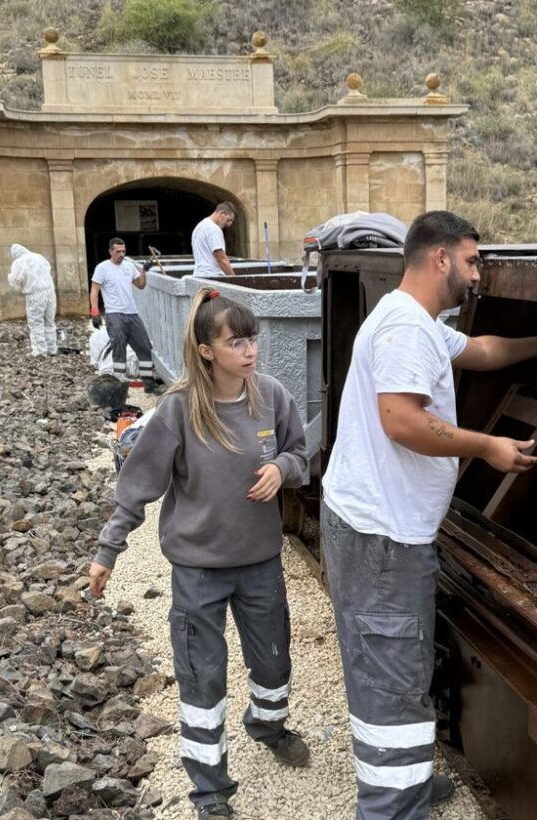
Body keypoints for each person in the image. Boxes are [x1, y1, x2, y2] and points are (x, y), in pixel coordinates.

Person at [320, 211, 537, 820]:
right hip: (383, 537)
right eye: (472, 261)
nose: (477, 273)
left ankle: (408, 781)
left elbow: (480, 350)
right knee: (390, 673)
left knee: (387, 664)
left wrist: (536, 346)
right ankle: (391, 806)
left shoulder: (416, 320)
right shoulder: (407, 328)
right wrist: (487, 446)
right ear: (440, 260)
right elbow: (402, 421)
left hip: (375, 527)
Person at [88, 287, 310, 820]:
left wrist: (282, 468)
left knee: (273, 661)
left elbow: (301, 453)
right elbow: (138, 484)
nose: (250, 350)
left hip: (260, 564)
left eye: (252, 338)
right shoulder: (179, 409)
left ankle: (268, 723)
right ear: (208, 349)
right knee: (202, 677)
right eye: (236, 341)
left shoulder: (273, 396)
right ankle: (210, 792)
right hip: (198, 573)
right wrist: (108, 550)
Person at [91, 238, 161, 393]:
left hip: (132, 314)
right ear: (110, 251)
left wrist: (144, 271)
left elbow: (140, 285)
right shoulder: (102, 268)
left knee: (144, 348)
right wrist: (95, 312)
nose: (121, 254)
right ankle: (119, 387)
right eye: (118, 252)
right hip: (114, 314)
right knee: (119, 350)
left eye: (123, 251)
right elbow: (95, 290)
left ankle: (149, 385)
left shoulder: (129, 267)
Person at [8, 244, 57, 356]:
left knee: (36, 323)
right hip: (50, 291)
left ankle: (39, 351)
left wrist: (14, 282)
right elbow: (48, 271)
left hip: (35, 294)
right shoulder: (39, 257)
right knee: (49, 322)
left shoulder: (18, 262)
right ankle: (52, 348)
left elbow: (16, 280)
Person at [191, 202, 236, 277]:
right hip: (212, 276)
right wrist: (235, 279)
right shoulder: (213, 229)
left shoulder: (200, 226)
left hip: (198, 275)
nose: (229, 224)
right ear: (222, 213)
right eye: (228, 220)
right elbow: (221, 259)